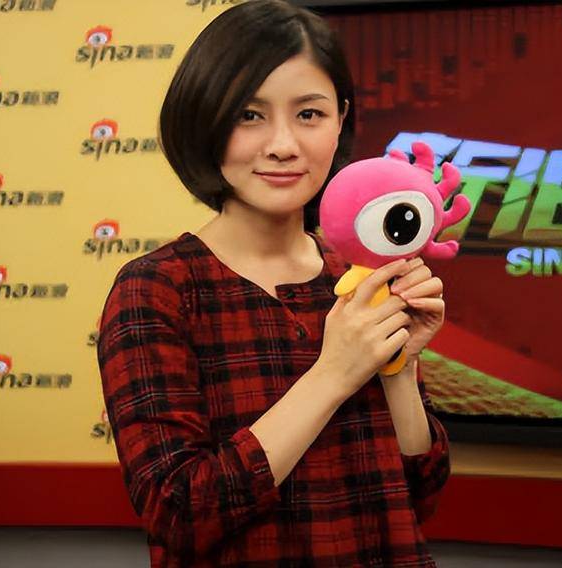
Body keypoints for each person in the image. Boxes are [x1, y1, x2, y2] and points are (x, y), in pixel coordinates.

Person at [97, 1, 450, 566]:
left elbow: (419, 494)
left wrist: (399, 369)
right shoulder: (158, 290)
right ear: (205, 120)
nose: (283, 144)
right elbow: (179, 515)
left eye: (309, 114)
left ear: (341, 119)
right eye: (249, 115)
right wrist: (333, 373)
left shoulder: (358, 275)